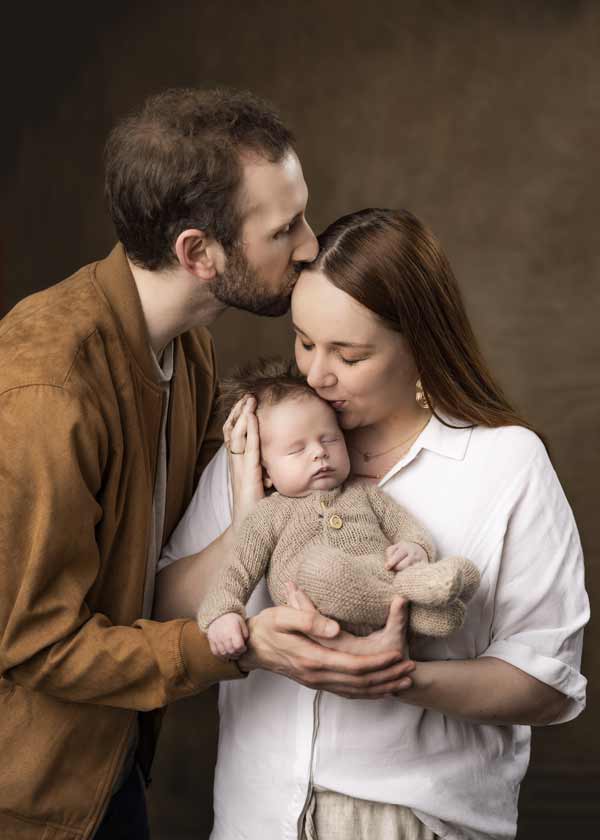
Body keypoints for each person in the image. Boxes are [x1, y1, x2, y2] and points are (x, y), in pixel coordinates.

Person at [0, 90, 415, 840]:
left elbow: (187, 550)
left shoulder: (188, 343)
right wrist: (241, 641)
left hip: (114, 762)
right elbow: (35, 644)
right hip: (36, 798)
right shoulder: (46, 388)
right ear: (199, 253)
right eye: (283, 227)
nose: (310, 246)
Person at [157, 208, 589, 840]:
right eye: (304, 341)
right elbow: (165, 604)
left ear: (420, 347)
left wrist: (396, 679)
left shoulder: (505, 462)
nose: (315, 374)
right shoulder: (265, 444)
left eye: (349, 354)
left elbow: (547, 685)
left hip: (410, 822)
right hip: (256, 816)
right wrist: (249, 518)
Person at [198, 359, 481, 657]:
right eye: (297, 449)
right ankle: (415, 599)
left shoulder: (364, 493)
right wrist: (221, 615)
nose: (319, 453)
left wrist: (416, 547)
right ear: (266, 472)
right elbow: (235, 571)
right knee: (321, 568)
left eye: (329, 439)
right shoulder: (268, 516)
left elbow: (403, 525)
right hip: (317, 588)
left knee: (448, 576)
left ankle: (427, 592)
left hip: (375, 573)